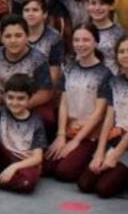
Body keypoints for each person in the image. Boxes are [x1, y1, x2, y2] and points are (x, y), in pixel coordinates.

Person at [79, 35, 128, 198]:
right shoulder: (114, 82)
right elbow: (109, 119)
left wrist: (115, 156)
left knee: (104, 189)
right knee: (85, 184)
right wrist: (101, 153)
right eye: (121, 52)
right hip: (114, 138)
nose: (126, 55)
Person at [44, 24, 110, 182]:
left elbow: (99, 113)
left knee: (64, 172)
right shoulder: (69, 69)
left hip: (89, 133)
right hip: (69, 129)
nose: (81, 44)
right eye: (77, 40)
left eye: (86, 40)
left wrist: (76, 141)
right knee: (46, 168)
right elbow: (64, 103)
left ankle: (91, 155)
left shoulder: (105, 74)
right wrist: (61, 135)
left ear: (96, 42)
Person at [0, 14, 55, 132]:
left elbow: (46, 93)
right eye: (8, 36)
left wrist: (18, 107)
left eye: (18, 35)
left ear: (27, 36)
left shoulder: (38, 59)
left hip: (29, 104)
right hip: (3, 102)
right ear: (1, 38)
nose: (13, 40)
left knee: (45, 118)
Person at [21, 0, 64, 88]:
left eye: (35, 10)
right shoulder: (16, 34)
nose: (30, 14)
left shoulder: (54, 37)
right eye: (26, 10)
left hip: (44, 88)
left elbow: (54, 72)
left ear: (45, 14)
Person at [86, 0, 123, 74]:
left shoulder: (120, 34)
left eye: (102, 4)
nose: (97, 8)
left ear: (111, 6)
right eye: (93, 3)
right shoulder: (82, 31)